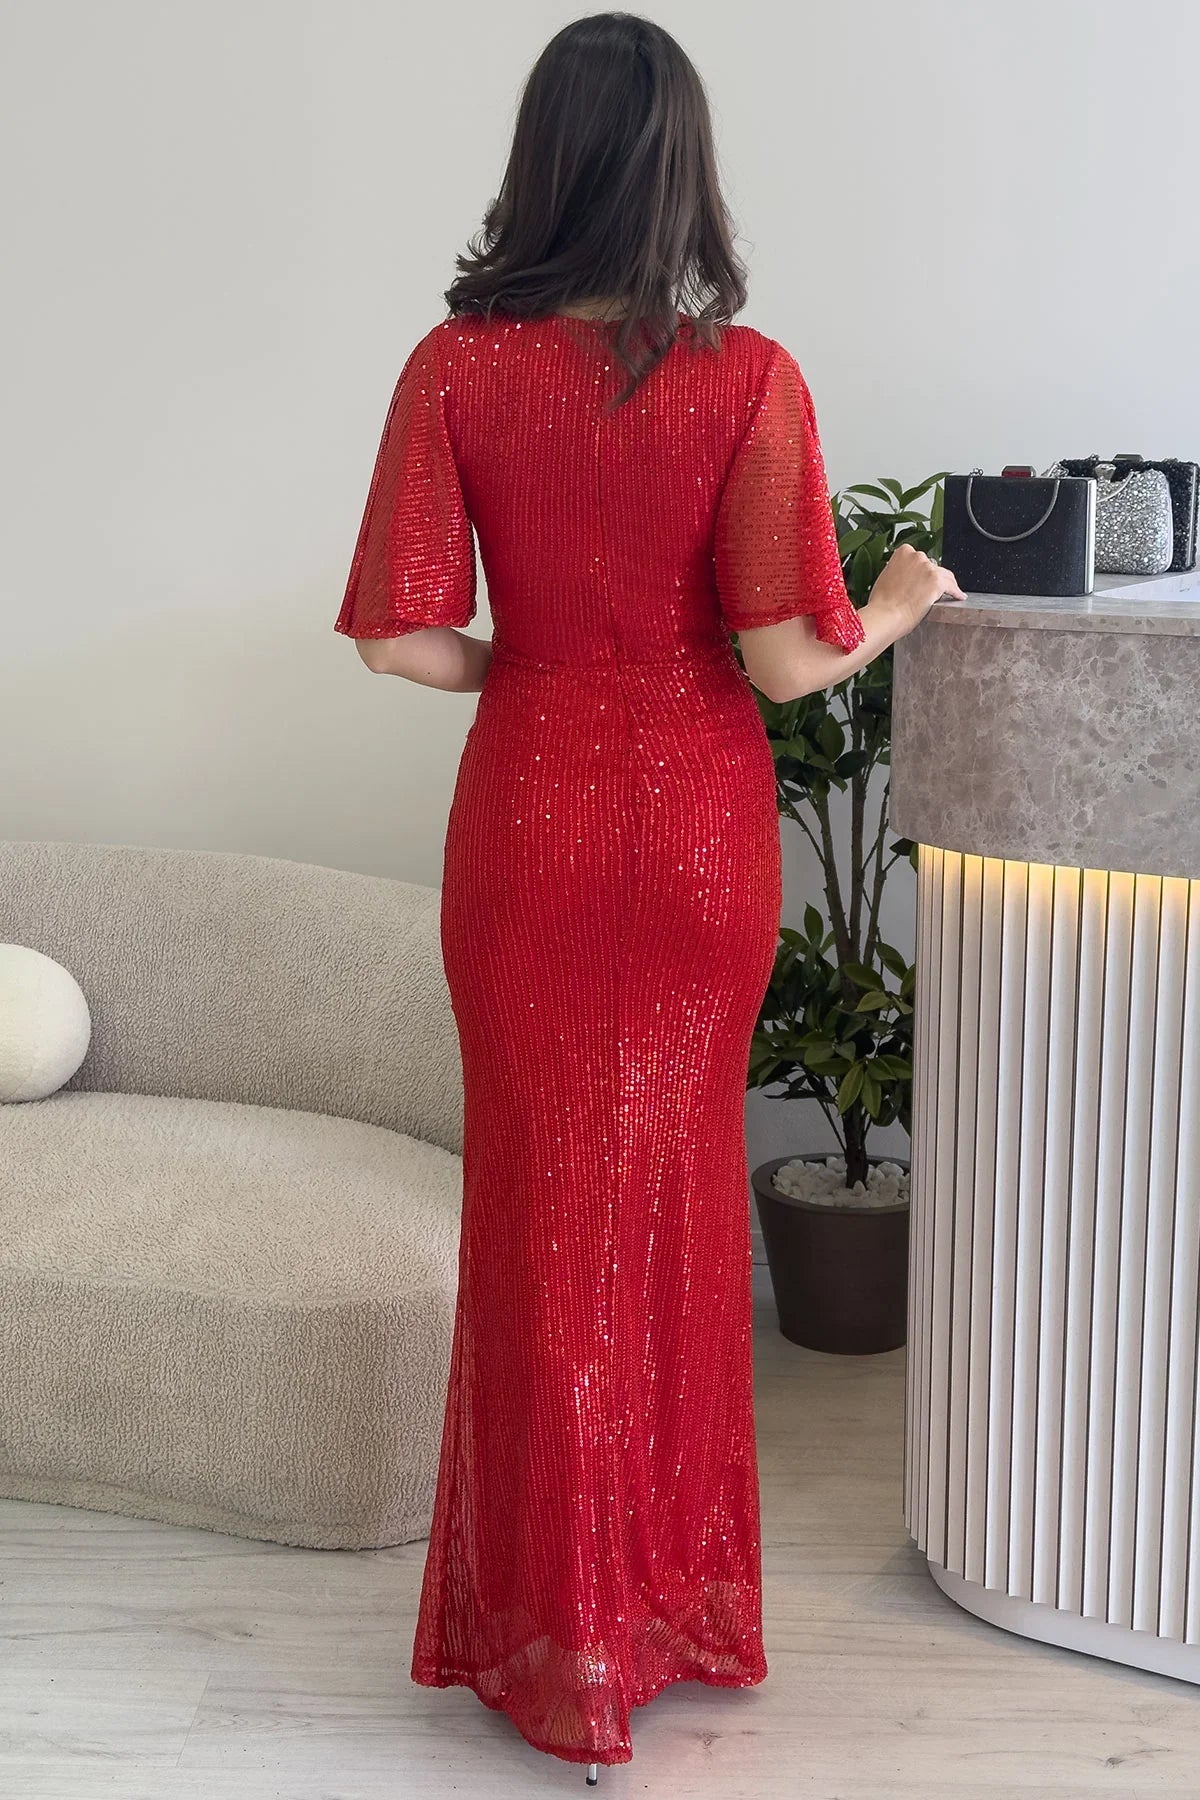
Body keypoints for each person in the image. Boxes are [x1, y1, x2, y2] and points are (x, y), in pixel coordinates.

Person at [333, 11, 964, 1783]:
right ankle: (662, 1619)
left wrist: (532, 671)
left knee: (540, 1222)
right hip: (695, 837)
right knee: (673, 1218)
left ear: (539, 165)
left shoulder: (453, 371)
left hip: (527, 824)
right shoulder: (747, 379)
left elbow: (395, 639)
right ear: (684, 170)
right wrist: (899, 602)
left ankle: (550, 1640)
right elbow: (783, 660)